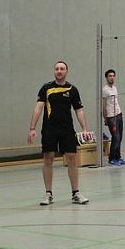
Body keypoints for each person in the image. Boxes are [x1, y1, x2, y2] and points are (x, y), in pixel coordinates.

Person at [28, 61, 92, 206]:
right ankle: (48, 194)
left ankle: (75, 193)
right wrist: (32, 128)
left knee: (71, 158)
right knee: (48, 158)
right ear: (54, 71)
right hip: (50, 129)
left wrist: (84, 129)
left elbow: (79, 110)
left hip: (67, 129)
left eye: (62, 69)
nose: (59, 71)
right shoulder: (46, 88)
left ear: (66, 71)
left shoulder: (72, 89)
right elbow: (38, 108)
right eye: (57, 69)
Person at [102, 69, 125, 166]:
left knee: (120, 137)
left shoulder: (115, 88)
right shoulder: (105, 89)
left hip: (119, 114)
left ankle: (118, 157)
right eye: (110, 76)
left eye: (113, 76)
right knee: (115, 137)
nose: (112, 77)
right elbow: (104, 105)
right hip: (111, 117)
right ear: (106, 77)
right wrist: (105, 118)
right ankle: (111, 158)